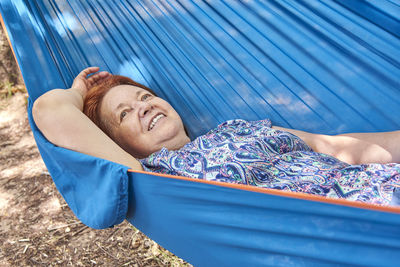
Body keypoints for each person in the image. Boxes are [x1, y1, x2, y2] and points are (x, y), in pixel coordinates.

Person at [33, 67, 400, 206]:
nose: (143, 106)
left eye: (144, 96)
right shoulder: (154, 177)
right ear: (116, 144)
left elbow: (335, 147)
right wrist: (79, 92)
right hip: (359, 223)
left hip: (379, 183)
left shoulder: (236, 127)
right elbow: (50, 111)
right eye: (125, 113)